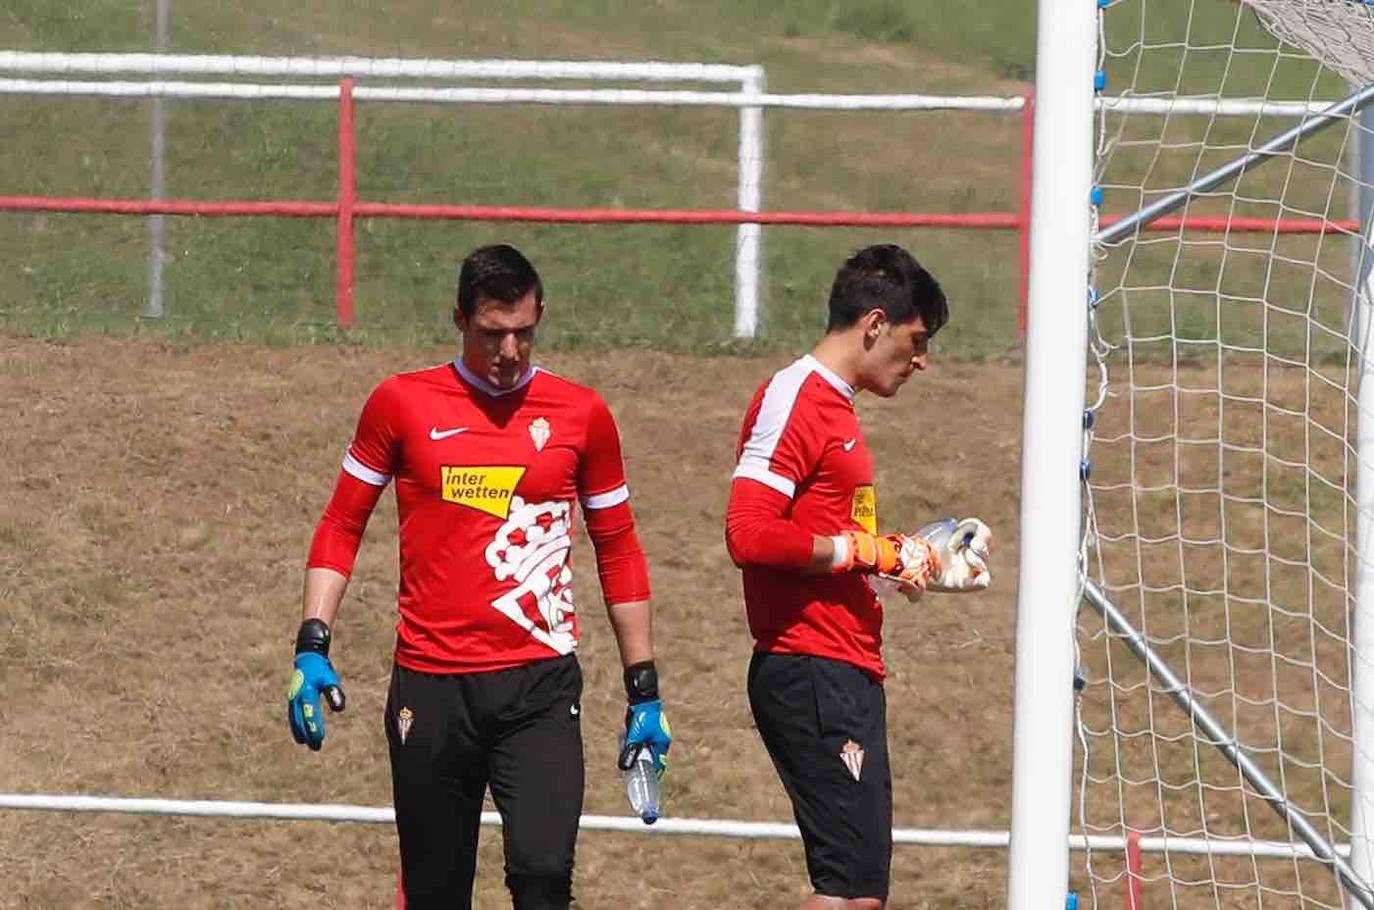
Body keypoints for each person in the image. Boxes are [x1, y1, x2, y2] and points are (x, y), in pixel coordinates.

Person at [285, 244, 672, 910]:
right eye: (493, 333)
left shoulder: (582, 415)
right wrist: (312, 643)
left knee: (545, 877)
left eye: (525, 331)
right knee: (436, 893)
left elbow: (619, 547)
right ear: (459, 319)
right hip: (433, 689)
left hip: (541, 688)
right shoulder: (400, 403)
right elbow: (342, 523)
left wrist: (645, 690)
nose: (511, 349)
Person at [725, 243, 984, 909]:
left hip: (840, 666)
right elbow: (749, 534)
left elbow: (831, 542)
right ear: (875, 324)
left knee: (857, 891)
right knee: (846, 893)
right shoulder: (795, 397)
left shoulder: (836, 409)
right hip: (810, 667)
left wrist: (911, 557)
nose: (922, 360)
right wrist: (871, 554)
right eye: (916, 339)